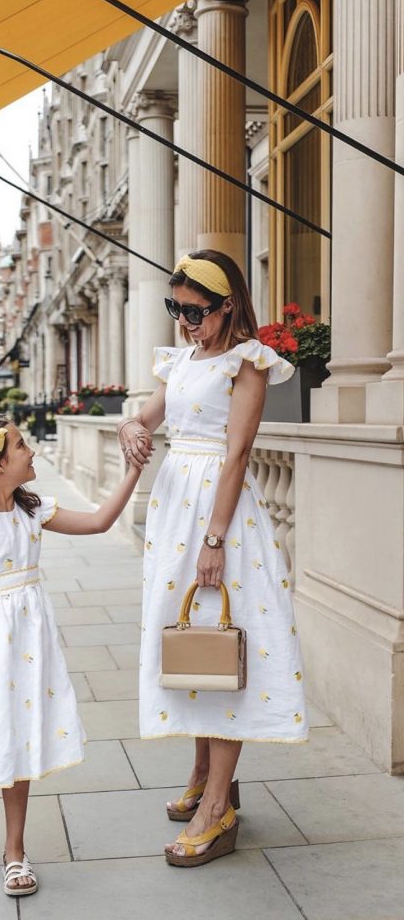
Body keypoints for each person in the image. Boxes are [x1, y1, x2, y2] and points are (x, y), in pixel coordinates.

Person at [117, 250, 308, 869]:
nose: (184, 322)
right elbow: (147, 414)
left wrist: (215, 539)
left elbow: (238, 454)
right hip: (177, 508)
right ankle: (204, 774)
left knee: (224, 645)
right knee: (192, 646)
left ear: (228, 305)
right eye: (176, 308)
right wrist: (129, 427)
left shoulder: (246, 362)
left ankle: (217, 807)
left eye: (195, 311)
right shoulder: (183, 360)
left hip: (217, 517)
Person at [0, 418, 140, 895]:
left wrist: (131, 472)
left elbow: (99, 522)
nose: (34, 452)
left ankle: (15, 850)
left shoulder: (33, 511)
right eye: (24, 445)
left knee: (20, 740)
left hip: (28, 641)